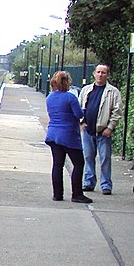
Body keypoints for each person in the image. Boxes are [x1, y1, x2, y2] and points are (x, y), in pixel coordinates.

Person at [45, 70, 92, 204]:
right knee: (78, 163)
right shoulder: (70, 97)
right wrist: (85, 110)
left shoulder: (50, 97)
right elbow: (78, 114)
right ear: (66, 82)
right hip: (68, 135)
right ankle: (77, 194)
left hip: (53, 134)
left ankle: (57, 194)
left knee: (57, 164)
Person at [78, 64, 123, 195]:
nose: (100, 75)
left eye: (103, 72)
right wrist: (81, 123)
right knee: (88, 157)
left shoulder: (113, 92)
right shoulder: (86, 90)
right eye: (98, 72)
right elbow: (79, 107)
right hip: (88, 130)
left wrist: (110, 127)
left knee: (105, 159)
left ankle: (106, 185)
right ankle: (88, 182)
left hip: (103, 131)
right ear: (94, 74)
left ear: (107, 75)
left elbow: (117, 111)